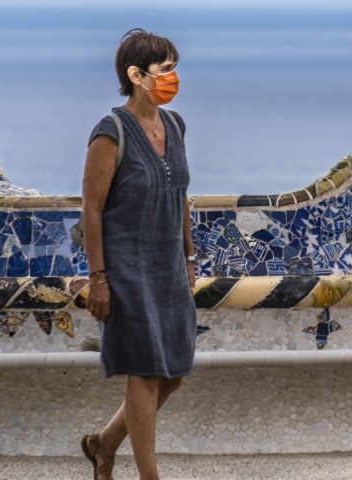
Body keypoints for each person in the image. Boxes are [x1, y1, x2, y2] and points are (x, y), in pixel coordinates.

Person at [79, 28, 198, 480]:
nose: (173, 77)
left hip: (168, 267)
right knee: (145, 372)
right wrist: (98, 278)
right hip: (127, 269)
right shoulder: (110, 133)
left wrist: (189, 259)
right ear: (136, 74)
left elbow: (182, 194)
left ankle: (103, 444)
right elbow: (91, 207)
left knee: (173, 372)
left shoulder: (175, 126)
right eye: (165, 69)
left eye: (174, 67)